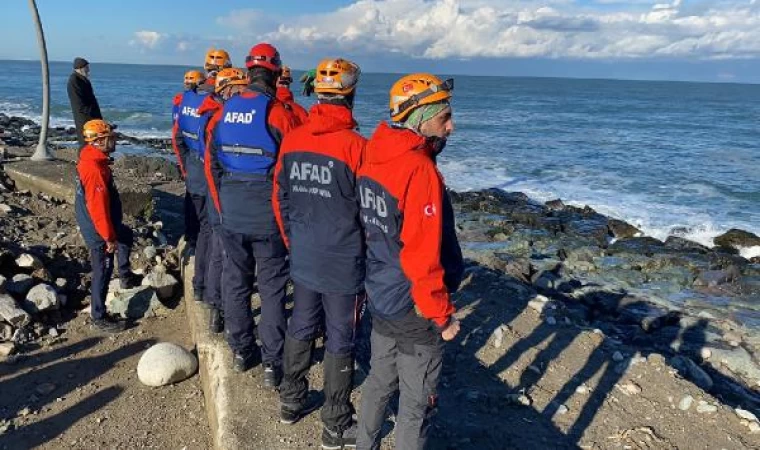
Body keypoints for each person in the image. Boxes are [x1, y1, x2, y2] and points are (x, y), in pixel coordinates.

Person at [355, 74, 464, 450]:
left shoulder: (374, 153)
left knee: (380, 379)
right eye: (444, 117)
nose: (451, 126)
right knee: (416, 404)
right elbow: (421, 255)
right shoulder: (419, 170)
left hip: (382, 291)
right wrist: (442, 314)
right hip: (413, 305)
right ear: (419, 119)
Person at [273, 58, 364, 449]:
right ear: (351, 96)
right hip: (343, 261)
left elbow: (281, 199)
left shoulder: (294, 139)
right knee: (342, 337)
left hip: (305, 254)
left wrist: (293, 241)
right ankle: (335, 423)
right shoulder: (358, 148)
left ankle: (291, 400)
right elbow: (372, 213)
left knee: (302, 324)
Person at [204, 44, 300, 383]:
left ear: (247, 72)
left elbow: (210, 167)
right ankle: (274, 363)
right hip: (268, 216)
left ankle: (242, 350)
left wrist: (221, 208)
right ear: (275, 73)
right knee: (273, 288)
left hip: (230, 211)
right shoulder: (278, 114)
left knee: (236, 282)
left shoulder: (223, 113)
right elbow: (292, 171)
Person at [75, 120, 140, 333]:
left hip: (104, 222)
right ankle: (98, 315)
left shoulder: (93, 159)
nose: (115, 140)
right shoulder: (94, 169)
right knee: (102, 268)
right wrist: (108, 237)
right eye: (111, 138)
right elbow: (98, 208)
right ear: (100, 141)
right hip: (98, 228)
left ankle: (125, 277)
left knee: (126, 235)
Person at [172, 69, 224, 317]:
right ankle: (205, 289)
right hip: (206, 178)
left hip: (194, 173)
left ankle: (200, 285)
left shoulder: (187, 105)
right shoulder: (212, 112)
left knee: (203, 228)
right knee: (212, 233)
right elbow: (212, 152)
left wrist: (185, 167)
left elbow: (178, 138)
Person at [172, 71, 206, 261]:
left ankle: (191, 236)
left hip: (188, 155)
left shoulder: (182, 101)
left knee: (191, 197)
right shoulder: (187, 102)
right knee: (197, 203)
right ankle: (194, 239)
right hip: (194, 157)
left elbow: (178, 134)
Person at [67, 57, 103, 151]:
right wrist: (91, 115)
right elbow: (79, 103)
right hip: (84, 117)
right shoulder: (74, 81)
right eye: (86, 68)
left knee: (92, 142)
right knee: (85, 142)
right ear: (80, 68)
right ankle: (82, 164)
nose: (88, 70)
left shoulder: (83, 79)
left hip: (91, 116)